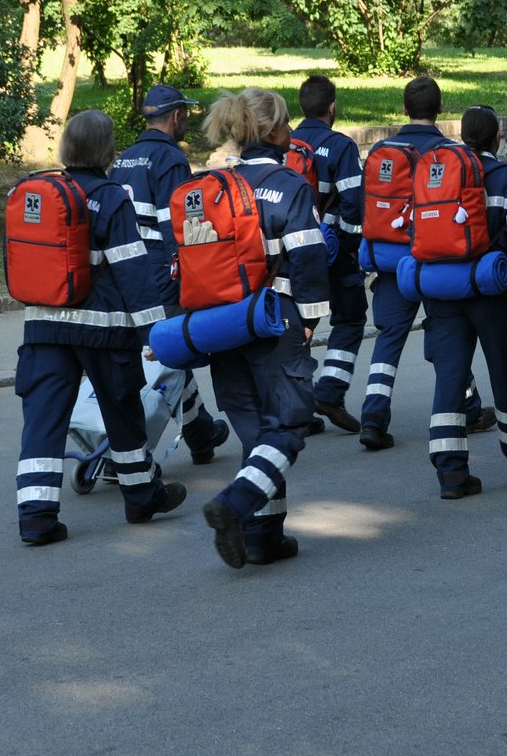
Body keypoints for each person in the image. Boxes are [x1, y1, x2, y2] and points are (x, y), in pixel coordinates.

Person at [161, 88, 331, 569]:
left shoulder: (207, 188)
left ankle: (263, 538)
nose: (291, 132)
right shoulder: (289, 184)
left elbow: (188, 263)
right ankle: (234, 507)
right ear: (273, 130)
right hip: (274, 321)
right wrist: (311, 321)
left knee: (256, 433)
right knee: (290, 424)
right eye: (286, 124)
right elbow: (309, 257)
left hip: (221, 325)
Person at [13, 110, 186, 546]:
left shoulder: (40, 190)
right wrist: (154, 334)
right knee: (122, 410)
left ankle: (35, 517)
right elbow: (134, 272)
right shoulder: (110, 197)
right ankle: (141, 495)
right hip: (102, 329)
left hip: (43, 326)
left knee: (44, 419)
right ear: (107, 150)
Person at [422, 106, 507, 497]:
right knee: (506, 372)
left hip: (443, 294)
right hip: (493, 294)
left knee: (450, 379)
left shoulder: (438, 178)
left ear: (463, 135)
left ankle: (451, 475)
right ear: (498, 137)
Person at [356, 76, 489, 449]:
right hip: (433, 262)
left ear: (403, 110)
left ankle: (373, 417)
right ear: (441, 109)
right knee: (446, 334)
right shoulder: (449, 153)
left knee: (388, 340)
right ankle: (470, 407)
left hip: (387, 259)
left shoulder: (381, 150)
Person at [110, 84, 231, 464]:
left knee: (165, 354)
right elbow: (178, 223)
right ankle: (132, 449)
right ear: (177, 116)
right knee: (172, 351)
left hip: (125, 270)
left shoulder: (124, 159)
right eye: (186, 115)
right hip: (160, 271)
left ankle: (201, 434)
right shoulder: (171, 160)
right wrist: (192, 271)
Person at [291, 76, 367, 433]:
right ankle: (331, 390)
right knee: (350, 318)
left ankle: (298, 405)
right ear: (332, 107)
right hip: (331, 251)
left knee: (299, 324)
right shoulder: (340, 146)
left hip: (290, 253)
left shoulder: (283, 142)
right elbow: (354, 202)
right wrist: (350, 246)